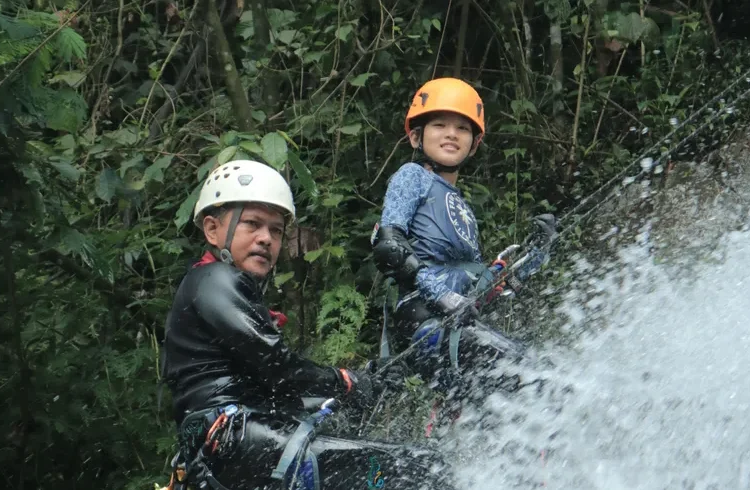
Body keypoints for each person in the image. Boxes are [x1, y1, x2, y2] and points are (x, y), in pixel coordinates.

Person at [162, 160, 451, 490]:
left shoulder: (213, 288)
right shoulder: (213, 279)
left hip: (230, 445)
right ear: (212, 229)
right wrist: (346, 383)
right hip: (235, 437)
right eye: (252, 224)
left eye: (276, 230)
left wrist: (363, 381)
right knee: (420, 466)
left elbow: (279, 384)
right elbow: (277, 365)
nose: (265, 238)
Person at [371, 78, 558, 383]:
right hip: (426, 322)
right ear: (416, 137)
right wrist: (442, 296)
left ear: (474, 143)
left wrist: (536, 255)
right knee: (534, 376)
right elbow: (389, 247)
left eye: (462, 128)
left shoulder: (462, 207)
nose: (451, 134)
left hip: (456, 323)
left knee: (540, 373)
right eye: (439, 125)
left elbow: (483, 292)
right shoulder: (412, 177)